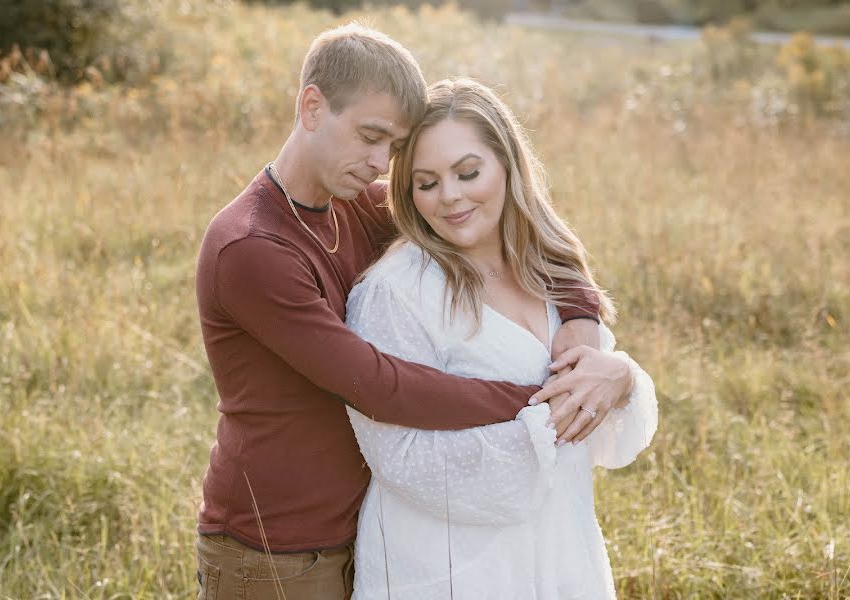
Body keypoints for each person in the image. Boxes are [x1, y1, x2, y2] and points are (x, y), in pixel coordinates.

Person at [194, 24, 635, 600]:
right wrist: (551, 393)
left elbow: (518, 233)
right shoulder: (250, 247)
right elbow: (379, 386)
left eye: (394, 148)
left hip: (361, 524)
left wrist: (584, 336)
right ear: (311, 106)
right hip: (276, 543)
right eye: (369, 136)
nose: (381, 164)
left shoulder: (356, 203)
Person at [345, 77, 658, 599]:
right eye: (426, 182)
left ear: (508, 163)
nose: (450, 197)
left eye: (468, 172)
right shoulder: (395, 293)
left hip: (561, 555)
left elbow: (605, 437)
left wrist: (622, 378)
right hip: (447, 570)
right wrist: (545, 424)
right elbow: (397, 455)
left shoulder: (549, 271)